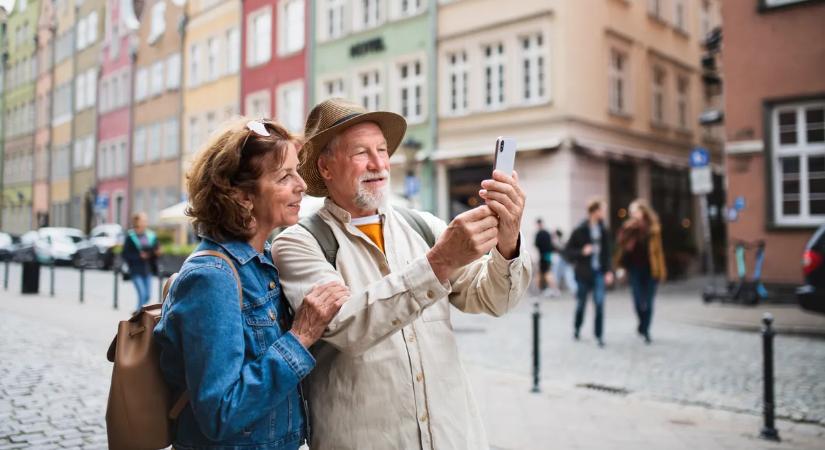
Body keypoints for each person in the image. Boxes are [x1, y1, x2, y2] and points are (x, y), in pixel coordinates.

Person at [272, 98, 532, 450]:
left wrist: (508, 242)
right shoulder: (299, 243)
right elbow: (348, 327)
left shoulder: (423, 225)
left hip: (452, 438)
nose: (379, 163)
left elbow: (493, 299)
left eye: (382, 149)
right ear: (326, 167)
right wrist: (438, 262)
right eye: (361, 152)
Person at [153, 118, 348, 449]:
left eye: (296, 171)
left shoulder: (264, 261)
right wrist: (300, 337)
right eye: (285, 176)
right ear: (243, 196)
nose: (302, 185)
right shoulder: (212, 278)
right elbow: (220, 413)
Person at [616, 199, 667, 344]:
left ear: (643, 211)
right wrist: (628, 229)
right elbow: (620, 244)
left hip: (651, 269)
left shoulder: (653, 228)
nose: (633, 214)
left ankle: (645, 330)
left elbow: (658, 252)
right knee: (638, 301)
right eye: (631, 212)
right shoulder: (629, 227)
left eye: (635, 211)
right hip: (634, 269)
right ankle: (641, 323)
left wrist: (661, 271)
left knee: (649, 302)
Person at [565, 198, 614, 347]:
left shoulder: (603, 230)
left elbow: (607, 253)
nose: (604, 213)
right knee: (581, 304)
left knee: (599, 303)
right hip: (583, 274)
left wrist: (609, 271)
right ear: (594, 211)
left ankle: (599, 336)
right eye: (602, 210)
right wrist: (582, 251)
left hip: (599, 272)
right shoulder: (580, 229)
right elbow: (567, 252)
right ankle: (577, 328)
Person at [121, 212, 159, 312]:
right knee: (142, 294)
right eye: (143, 220)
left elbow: (155, 249)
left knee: (147, 295)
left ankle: (137, 313)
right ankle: (138, 315)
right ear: (137, 222)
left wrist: (156, 252)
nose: (145, 222)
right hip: (135, 269)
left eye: (146, 220)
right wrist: (139, 256)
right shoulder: (130, 236)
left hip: (148, 269)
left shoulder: (151, 235)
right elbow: (125, 254)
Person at [534, 218, 559, 297]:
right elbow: (551, 244)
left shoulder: (539, 234)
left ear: (538, 224)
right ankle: (539, 290)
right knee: (542, 273)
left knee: (546, 273)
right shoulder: (547, 233)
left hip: (543, 255)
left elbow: (536, 244)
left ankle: (554, 289)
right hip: (548, 255)